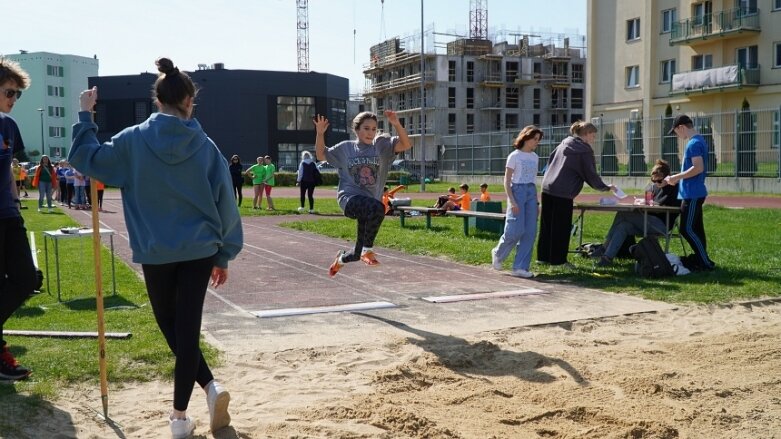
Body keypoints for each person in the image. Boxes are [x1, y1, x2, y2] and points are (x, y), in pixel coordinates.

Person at [70, 58, 243, 438]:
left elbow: (87, 160)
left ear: (158, 100)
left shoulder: (132, 140)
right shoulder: (205, 144)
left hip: (156, 249)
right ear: (186, 100)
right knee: (185, 329)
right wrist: (225, 253)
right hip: (199, 248)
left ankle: (181, 418)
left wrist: (85, 116)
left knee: (174, 328)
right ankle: (208, 390)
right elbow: (225, 201)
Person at [314, 110, 411, 277]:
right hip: (349, 199)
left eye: (374, 129)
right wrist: (320, 134)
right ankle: (368, 250)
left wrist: (396, 123)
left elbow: (406, 144)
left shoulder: (381, 146)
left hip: (368, 204)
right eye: (366, 128)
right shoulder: (346, 148)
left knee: (355, 254)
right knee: (379, 207)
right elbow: (321, 155)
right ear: (356, 129)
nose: (370, 133)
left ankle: (341, 260)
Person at [0, 56, 36, 381]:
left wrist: (16, 206)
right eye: (10, 92)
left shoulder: (9, 126)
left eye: (17, 94)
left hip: (9, 215)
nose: (14, 100)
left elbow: (10, 172)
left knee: (27, 278)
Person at [537, 121, 616, 267]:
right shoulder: (584, 150)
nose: (594, 139)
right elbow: (590, 174)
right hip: (563, 191)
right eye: (593, 135)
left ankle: (543, 257)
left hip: (547, 187)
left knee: (547, 224)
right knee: (561, 227)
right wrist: (605, 187)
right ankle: (558, 261)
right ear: (586, 134)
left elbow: (549, 162)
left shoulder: (563, 144)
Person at [595, 159, 681, 267]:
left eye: (659, 181)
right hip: (647, 221)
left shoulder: (675, 188)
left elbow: (673, 207)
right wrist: (641, 203)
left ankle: (604, 248)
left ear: (667, 177)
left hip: (662, 223)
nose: (656, 184)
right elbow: (649, 203)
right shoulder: (652, 187)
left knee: (622, 214)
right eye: (653, 181)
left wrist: (653, 205)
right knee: (623, 226)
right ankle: (607, 258)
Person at [663, 114, 716, 271]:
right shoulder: (699, 141)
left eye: (676, 132)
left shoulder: (693, 143)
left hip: (692, 193)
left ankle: (705, 261)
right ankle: (701, 259)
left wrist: (676, 177)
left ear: (681, 127)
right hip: (693, 192)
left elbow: (698, 168)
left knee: (686, 228)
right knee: (697, 228)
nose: (678, 136)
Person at [491, 125, 543, 278]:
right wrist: (512, 201)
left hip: (531, 193)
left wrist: (537, 203)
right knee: (515, 229)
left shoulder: (535, 157)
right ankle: (498, 253)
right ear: (525, 137)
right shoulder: (514, 156)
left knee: (530, 232)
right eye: (534, 139)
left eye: (538, 140)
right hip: (517, 192)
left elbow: (533, 180)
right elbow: (507, 181)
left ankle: (520, 267)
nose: (536, 142)